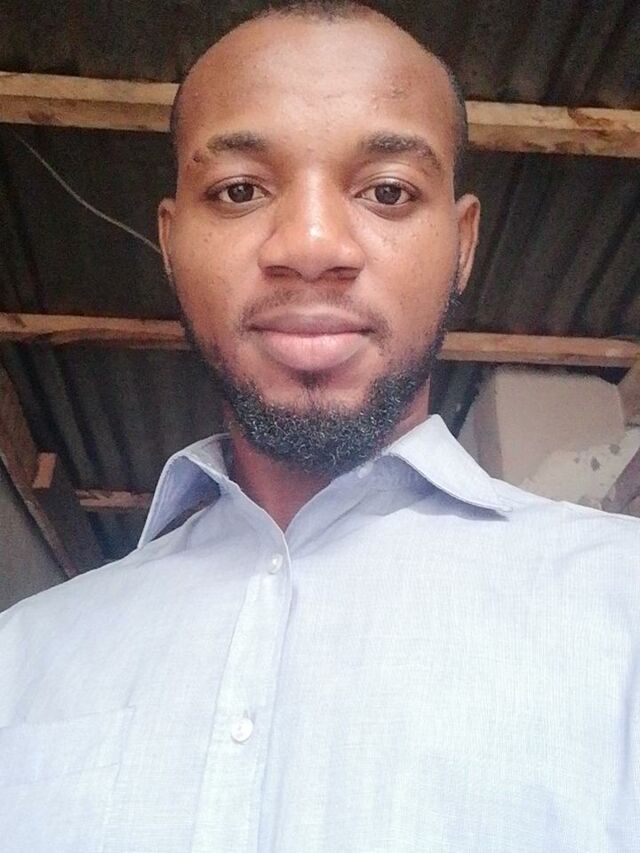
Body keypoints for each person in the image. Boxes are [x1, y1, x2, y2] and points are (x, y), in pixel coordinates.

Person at [0, 3, 638, 851]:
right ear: (171, 243)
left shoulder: (621, 606)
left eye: (387, 191)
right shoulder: (23, 655)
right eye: (239, 190)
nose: (309, 244)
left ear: (462, 244)